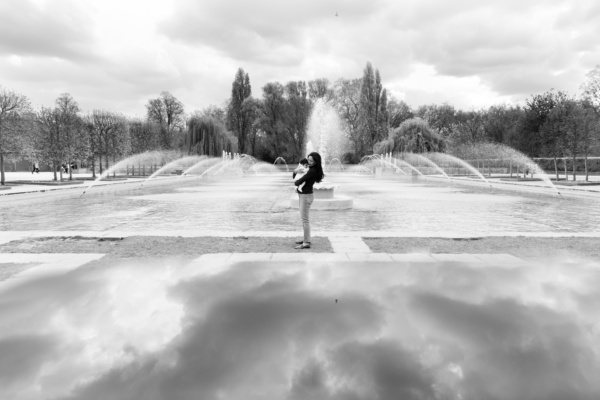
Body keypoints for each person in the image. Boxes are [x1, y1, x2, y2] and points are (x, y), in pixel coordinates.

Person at [293, 152, 325, 250]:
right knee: (304, 219)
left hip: (305, 196)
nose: (309, 162)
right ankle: (306, 239)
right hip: (305, 195)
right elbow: (295, 177)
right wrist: (296, 171)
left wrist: (297, 172)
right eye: (308, 160)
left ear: (316, 162)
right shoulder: (310, 169)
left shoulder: (312, 171)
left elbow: (297, 182)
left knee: (305, 220)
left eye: (311, 161)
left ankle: (306, 242)